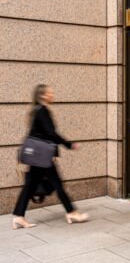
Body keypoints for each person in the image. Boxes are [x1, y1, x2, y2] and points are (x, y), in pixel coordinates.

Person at [12, 84, 89, 229]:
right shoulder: (42, 111)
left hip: (38, 156)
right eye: (50, 93)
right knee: (57, 184)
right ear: (42, 95)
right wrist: (68, 144)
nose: (52, 95)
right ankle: (71, 212)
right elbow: (50, 133)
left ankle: (18, 216)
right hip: (42, 156)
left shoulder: (37, 110)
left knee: (29, 185)